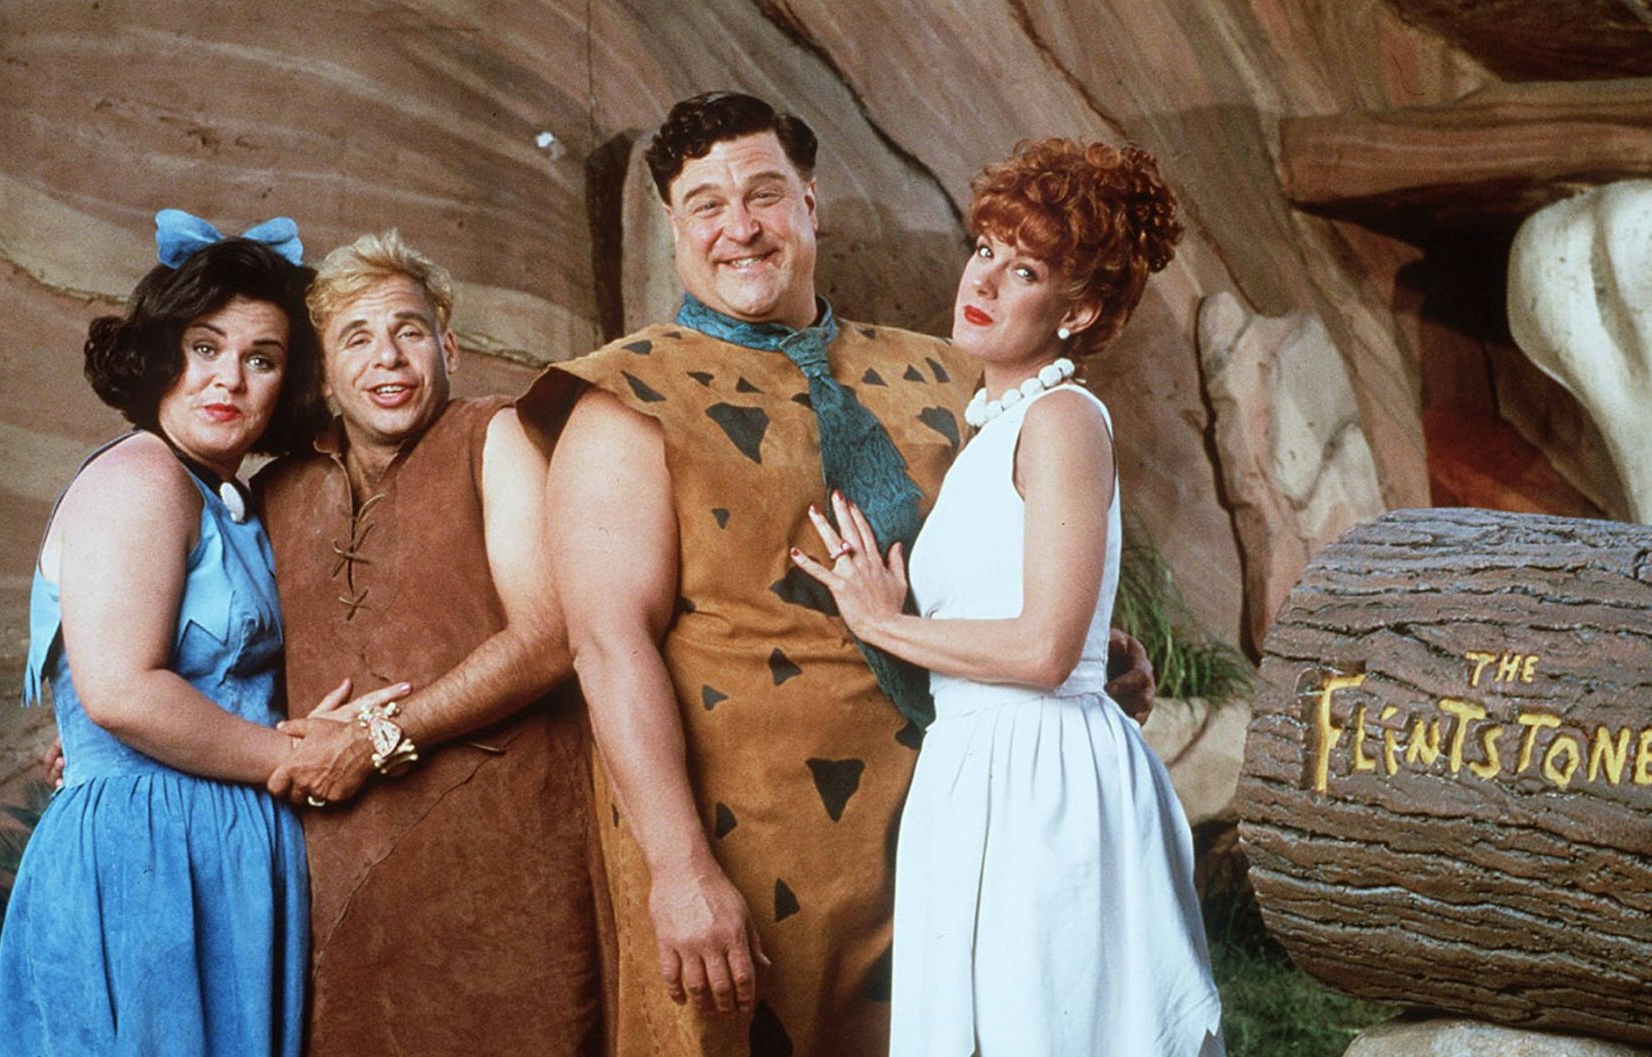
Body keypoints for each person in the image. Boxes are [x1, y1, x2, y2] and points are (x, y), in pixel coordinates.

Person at [519, 92, 1154, 1056]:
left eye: (764, 194)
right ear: (673, 226)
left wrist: (1088, 652)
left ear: (811, 202)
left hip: (953, 843)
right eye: (705, 205)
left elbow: (998, 570)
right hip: (748, 859)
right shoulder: (623, 400)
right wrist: (681, 869)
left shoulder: (951, 374)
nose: (740, 228)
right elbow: (608, 648)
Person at [791, 138, 1224, 1055]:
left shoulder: (1063, 418)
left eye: (1024, 270)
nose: (982, 279)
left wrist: (884, 623)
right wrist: (1110, 646)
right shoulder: (999, 430)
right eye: (985, 248)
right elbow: (1053, 614)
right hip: (986, 770)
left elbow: (1043, 652)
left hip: (1041, 786)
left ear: (1081, 309)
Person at [0, 211, 405, 1056]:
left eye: (262, 359)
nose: (229, 380)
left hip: (220, 853)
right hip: (148, 860)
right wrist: (294, 756)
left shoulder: (227, 497)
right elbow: (120, 691)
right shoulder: (141, 475)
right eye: (205, 347)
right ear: (159, 353)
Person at [253, 230, 606, 1057]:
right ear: (324, 375)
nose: (389, 357)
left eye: (409, 330)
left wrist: (376, 739)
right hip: (334, 870)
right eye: (357, 338)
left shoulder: (496, 433)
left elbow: (550, 635)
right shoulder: (276, 489)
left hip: (505, 855)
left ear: (448, 348)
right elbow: (223, 651)